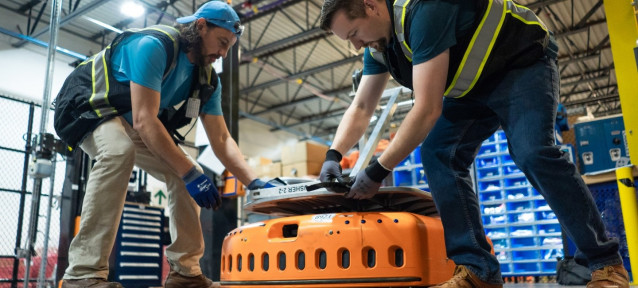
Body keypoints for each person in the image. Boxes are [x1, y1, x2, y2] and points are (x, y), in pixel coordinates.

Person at [318, 0, 629, 287]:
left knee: (533, 152)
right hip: (472, 88)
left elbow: (427, 109)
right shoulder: (380, 47)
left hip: (521, 65)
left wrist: (376, 171)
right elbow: (361, 107)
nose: (356, 45)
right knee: (439, 154)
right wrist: (333, 154)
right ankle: (477, 271)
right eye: (349, 40)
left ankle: (606, 263)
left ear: (371, 6)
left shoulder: (425, 10)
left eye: (354, 34)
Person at [53, 1, 272, 287]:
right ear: (201, 26)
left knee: (186, 171)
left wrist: (255, 183)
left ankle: (185, 273)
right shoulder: (154, 46)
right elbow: (146, 120)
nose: (223, 53)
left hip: (129, 121)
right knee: (120, 152)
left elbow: (221, 139)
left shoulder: (206, 80)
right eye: (221, 42)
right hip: (86, 107)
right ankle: (83, 275)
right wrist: (190, 174)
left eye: (229, 46)